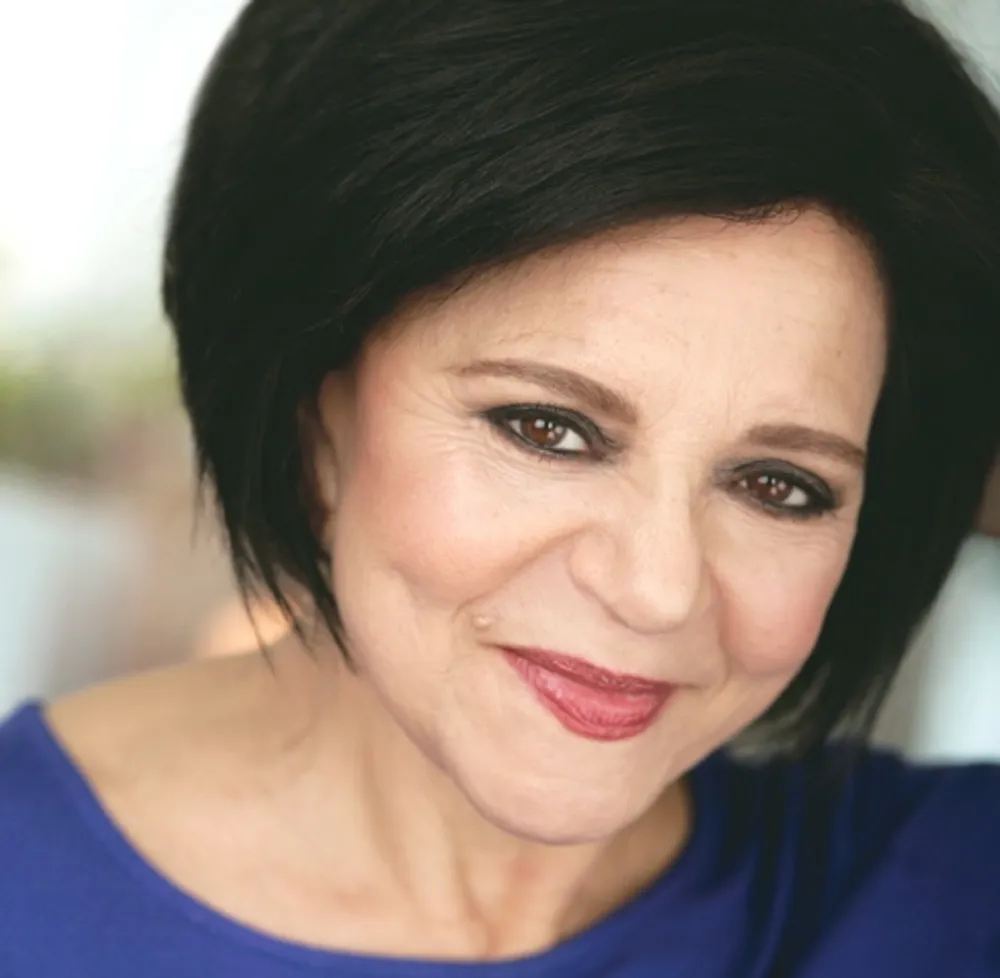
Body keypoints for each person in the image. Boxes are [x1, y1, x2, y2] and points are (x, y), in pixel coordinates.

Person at [2, 0, 999, 974]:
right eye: (546, 430)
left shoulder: (935, 896)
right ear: (316, 412)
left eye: (778, 486)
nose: (657, 589)